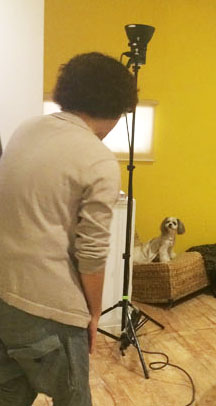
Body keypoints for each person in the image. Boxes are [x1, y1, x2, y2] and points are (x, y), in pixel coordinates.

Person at [0, 52, 135, 406]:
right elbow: (91, 253)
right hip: (51, 313)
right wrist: (94, 313)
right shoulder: (98, 159)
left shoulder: (25, 130)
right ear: (118, 109)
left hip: (5, 297)